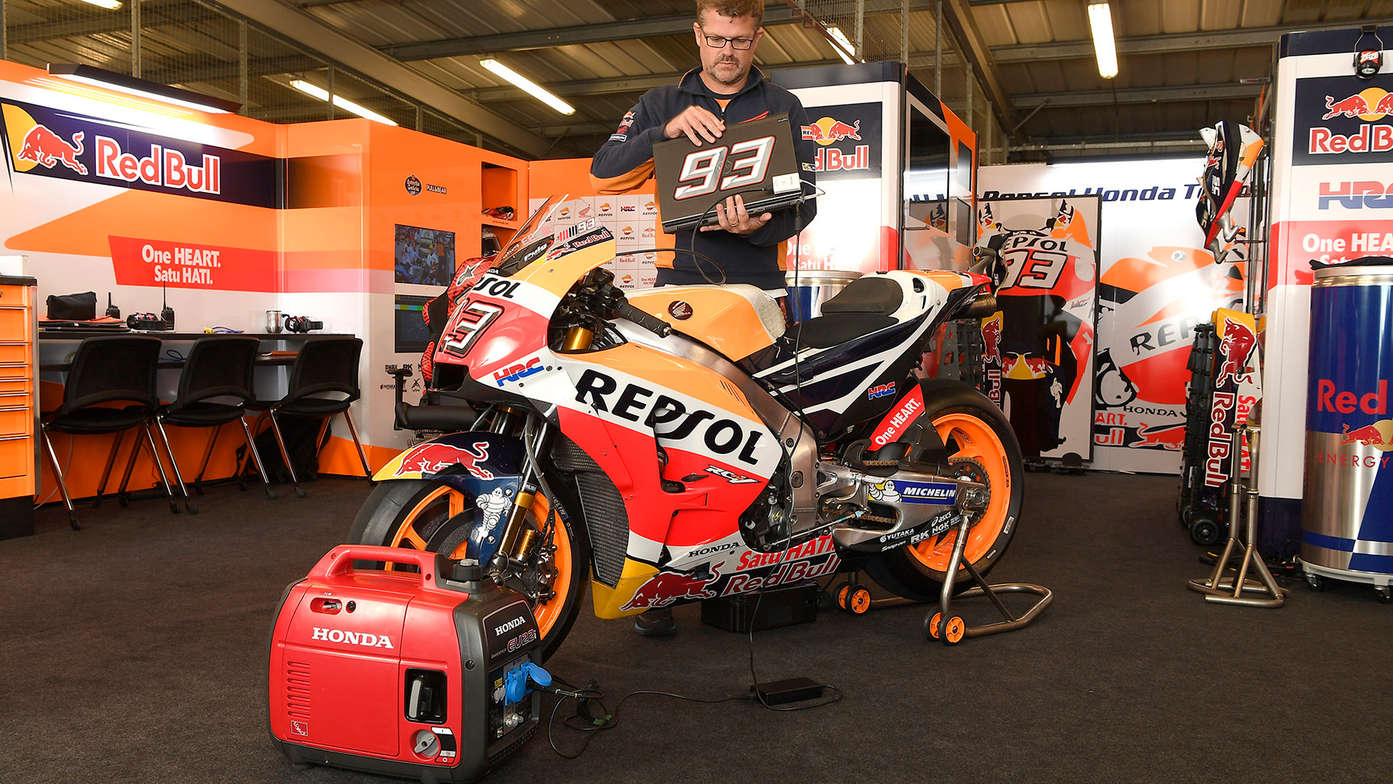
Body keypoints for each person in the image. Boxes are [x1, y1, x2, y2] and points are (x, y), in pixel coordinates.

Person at [590, 0, 818, 638]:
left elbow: (806, 206)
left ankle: (759, 563)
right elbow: (602, 168)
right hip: (679, 289)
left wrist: (766, 224)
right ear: (697, 35)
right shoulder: (663, 100)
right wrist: (660, 132)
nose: (727, 53)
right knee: (665, 433)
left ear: (757, 38)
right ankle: (659, 588)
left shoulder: (784, 106)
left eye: (740, 42)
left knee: (759, 430)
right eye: (716, 39)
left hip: (757, 286)